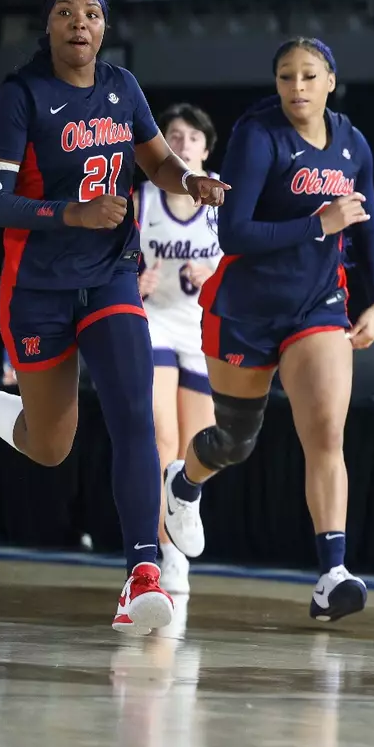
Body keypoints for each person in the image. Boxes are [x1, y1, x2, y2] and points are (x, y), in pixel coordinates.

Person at [0, 0, 228, 632]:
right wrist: (74, 212)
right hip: (37, 287)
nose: (79, 23)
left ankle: (142, 572)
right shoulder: (20, 96)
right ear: (48, 26)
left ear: (104, 27)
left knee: (134, 417)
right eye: (65, 13)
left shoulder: (122, 87)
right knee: (50, 446)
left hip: (113, 277)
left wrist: (191, 181)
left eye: (91, 13)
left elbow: (157, 163)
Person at [160, 38, 374, 624]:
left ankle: (332, 574)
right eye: (286, 77)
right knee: (235, 441)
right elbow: (234, 232)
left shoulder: (353, 143)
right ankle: (184, 485)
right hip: (246, 308)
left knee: (326, 433)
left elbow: (368, 225)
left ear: (330, 80)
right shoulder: (258, 136)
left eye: (309, 76)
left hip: (317, 307)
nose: (297, 87)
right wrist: (317, 225)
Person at [136, 101, 224, 595]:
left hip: (203, 330)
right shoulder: (145, 198)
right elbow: (113, 263)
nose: (184, 143)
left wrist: (216, 274)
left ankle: (180, 519)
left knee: (197, 450)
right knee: (161, 437)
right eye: (174, 135)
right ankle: (167, 552)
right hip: (156, 323)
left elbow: (247, 266)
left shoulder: (224, 198)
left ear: (207, 149)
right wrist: (134, 282)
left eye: (193, 136)